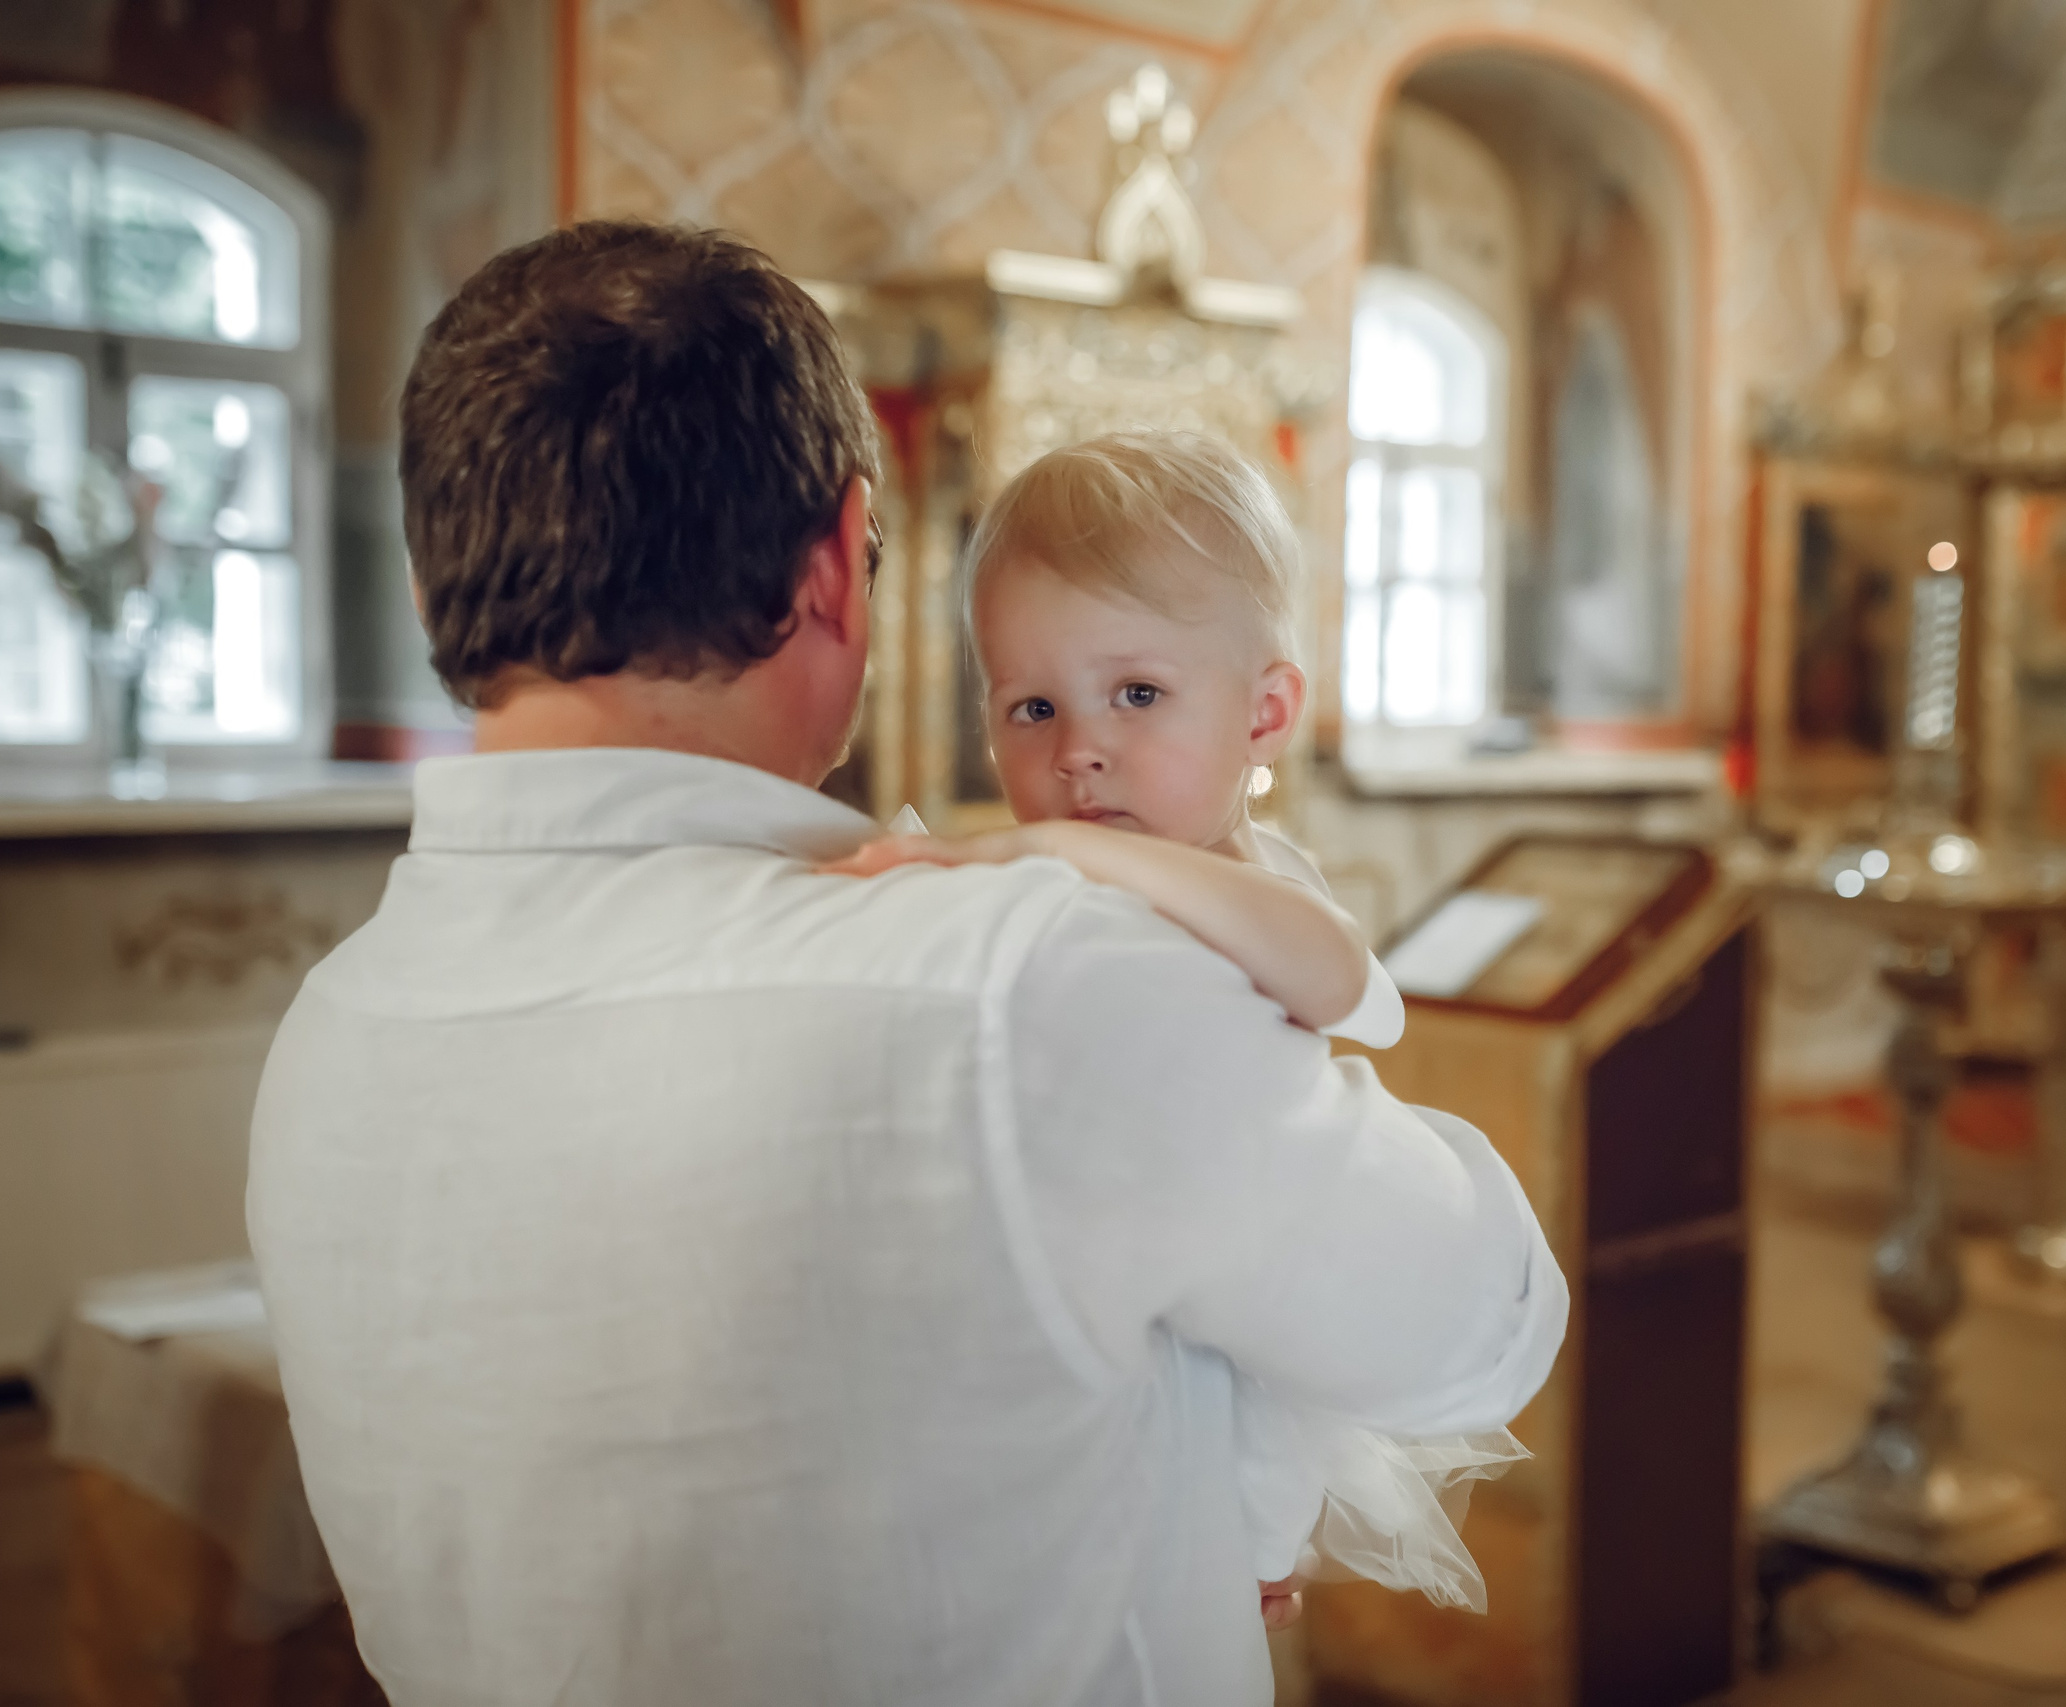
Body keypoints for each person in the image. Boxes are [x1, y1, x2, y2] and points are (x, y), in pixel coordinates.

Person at [245, 219, 1565, 1707]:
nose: (1078, 747)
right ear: (834, 566)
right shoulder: (1021, 980)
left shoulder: (322, 1036)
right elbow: (1479, 1325)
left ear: (435, 587)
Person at [833, 430, 1525, 1613]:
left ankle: (1254, 1552)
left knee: (1228, 1478)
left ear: (1264, 718)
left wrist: (1051, 845)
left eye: (1137, 694)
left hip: (1248, 1329)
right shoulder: (1067, 881)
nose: (1078, 750)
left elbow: (1352, 983)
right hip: (1081, 1336)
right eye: (1031, 707)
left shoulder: (1252, 882)